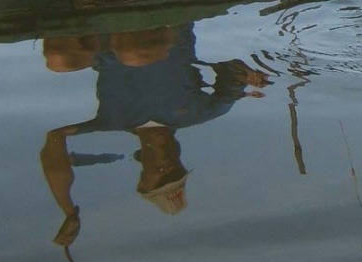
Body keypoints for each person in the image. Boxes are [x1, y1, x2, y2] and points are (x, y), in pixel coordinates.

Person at [39, 24, 269, 248]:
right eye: (177, 172)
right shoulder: (200, 112)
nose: (168, 168)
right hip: (165, 26)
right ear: (181, 161)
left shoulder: (111, 121)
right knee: (132, 53)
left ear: (143, 181)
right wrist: (248, 75)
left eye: (161, 178)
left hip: (107, 32)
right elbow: (233, 69)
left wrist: (69, 210)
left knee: (58, 61)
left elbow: (54, 141)